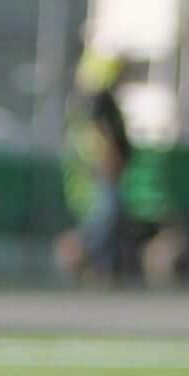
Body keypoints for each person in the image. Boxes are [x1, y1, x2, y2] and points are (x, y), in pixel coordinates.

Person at [55, 50, 136, 282]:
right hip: (103, 171)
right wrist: (109, 160)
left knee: (110, 218)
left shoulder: (96, 101)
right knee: (104, 218)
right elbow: (101, 136)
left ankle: (102, 267)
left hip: (105, 170)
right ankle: (75, 253)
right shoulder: (98, 101)